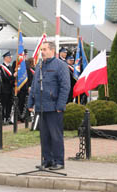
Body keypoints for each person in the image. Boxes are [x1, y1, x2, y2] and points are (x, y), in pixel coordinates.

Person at [28, 41, 70, 170]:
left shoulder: (60, 65)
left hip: (54, 107)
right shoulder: (40, 65)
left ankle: (59, 161)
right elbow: (35, 85)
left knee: (55, 136)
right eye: (41, 49)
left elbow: (65, 87)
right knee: (44, 136)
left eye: (45, 49)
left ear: (52, 50)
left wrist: (60, 105)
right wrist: (31, 102)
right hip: (41, 106)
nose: (42, 51)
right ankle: (47, 160)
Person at [0, 51, 14, 124]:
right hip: (4, 89)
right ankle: (2, 119)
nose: (10, 59)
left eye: (10, 57)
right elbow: (5, 78)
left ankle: (8, 118)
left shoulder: (10, 67)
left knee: (9, 104)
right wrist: (13, 76)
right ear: (5, 58)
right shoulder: (1, 67)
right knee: (3, 104)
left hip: (10, 89)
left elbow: (12, 79)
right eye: (9, 57)